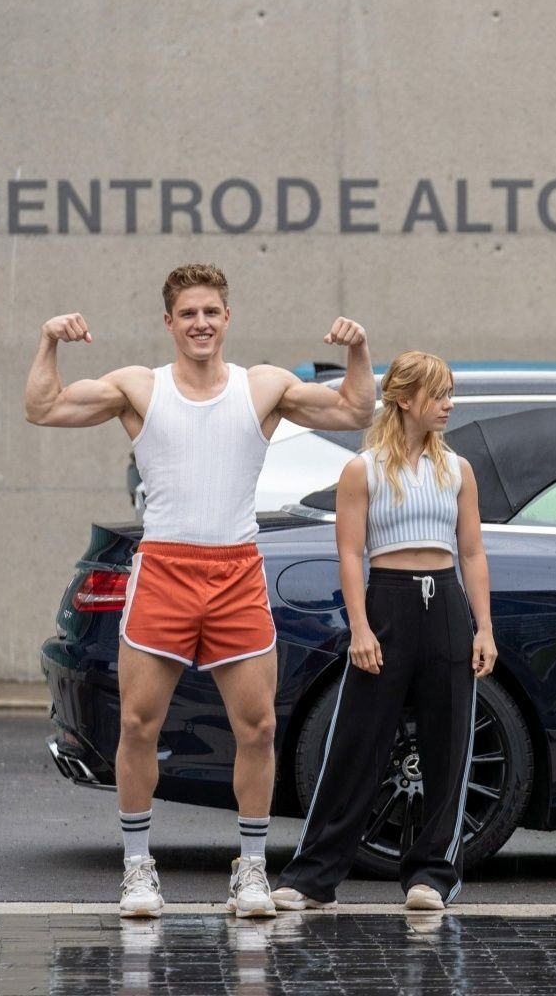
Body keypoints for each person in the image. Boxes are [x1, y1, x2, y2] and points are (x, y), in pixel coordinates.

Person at [24, 263, 374, 918]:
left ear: (227, 318)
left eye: (211, 311)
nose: (201, 323)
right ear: (170, 323)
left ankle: (251, 870)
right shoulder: (140, 387)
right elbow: (43, 407)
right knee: (138, 723)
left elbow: (356, 409)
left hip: (236, 571)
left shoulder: (262, 386)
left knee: (259, 727)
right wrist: (48, 341)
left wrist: (357, 350)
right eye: (188, 313)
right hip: (164, 571)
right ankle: (138, 870)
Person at [272, 350, 497, 912]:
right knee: (357, 742)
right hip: (388, 604)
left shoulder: (458, 469)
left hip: (446, 604)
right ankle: (313, 878)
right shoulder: (363, 470)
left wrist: (484, 628)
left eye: (449, 394)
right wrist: (360, 628)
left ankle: (431, 877)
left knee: (449, 744)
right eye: (437, 395)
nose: (448, 405)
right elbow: (350, 554)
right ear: (403, 399)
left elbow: (472, 552)